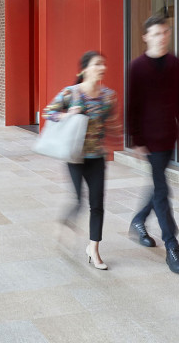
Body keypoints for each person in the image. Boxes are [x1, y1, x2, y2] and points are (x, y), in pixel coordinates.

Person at [128, 15, 179, 275]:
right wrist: (136, 140)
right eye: (156, 33)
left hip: (168, 137)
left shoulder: (175, 64)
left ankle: (138, 220)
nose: (162, 37)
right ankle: (172, 245)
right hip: (149, 139)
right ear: (146, 37)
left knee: (158, 186)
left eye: (165, 32)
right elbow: (132, 104)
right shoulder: (137, 66)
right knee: (162, 191)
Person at [43, 50, 118, 271]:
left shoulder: (108, 96)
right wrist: (68, 115)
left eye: (103, 64)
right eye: (97, 64)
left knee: (98, 205)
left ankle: (93, 249)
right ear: (84, 69)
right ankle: (64, 221)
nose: (102, 68)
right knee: (77, 200)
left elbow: (110, 123)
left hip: (97, 157)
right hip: (75, 156)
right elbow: (48, 113)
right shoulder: (71, 93)